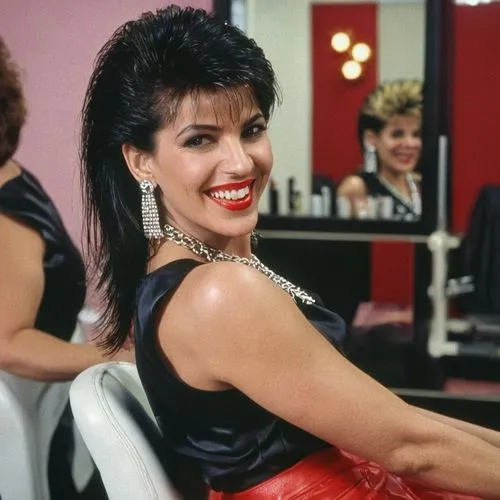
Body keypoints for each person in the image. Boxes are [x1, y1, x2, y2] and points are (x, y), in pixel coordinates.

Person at [80, 6, 500, 499]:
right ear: (141, 161)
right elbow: (409, 448)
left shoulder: (196, 274)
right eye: (200, 140)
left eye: (252, 129)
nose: (241, 162)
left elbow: (396, 423)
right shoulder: (220, 293)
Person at [0, 35, 130, 499]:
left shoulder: (12, 185)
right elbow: (9, 346)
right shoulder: (7, 205)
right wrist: (120, 359)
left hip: (43, 412)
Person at [337, 79, 423, 221]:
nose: (409, 143)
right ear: (371, 138)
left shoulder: (420, 186)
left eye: (416, 135)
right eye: (397, 134)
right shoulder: (356, 188)